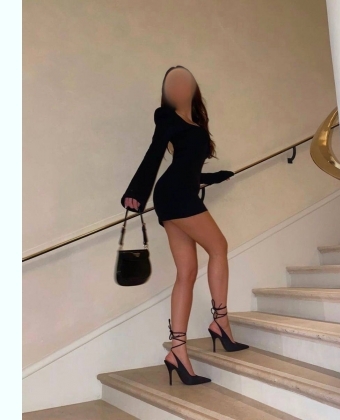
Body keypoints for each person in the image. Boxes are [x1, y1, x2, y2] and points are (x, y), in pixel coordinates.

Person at [121, 65, 248, 386]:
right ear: (166, 91)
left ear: (193, 87)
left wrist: (215, 177)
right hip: (174, 194)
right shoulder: (166, 117)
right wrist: (136, 192)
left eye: (183, 80)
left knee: (187, 272)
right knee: (218, 247)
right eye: (171, 82)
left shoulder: (195, 124)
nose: (177, 86)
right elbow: (154, 153)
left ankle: (177, 351)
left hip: (177, 193)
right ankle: (221, 322)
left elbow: (187, 169)